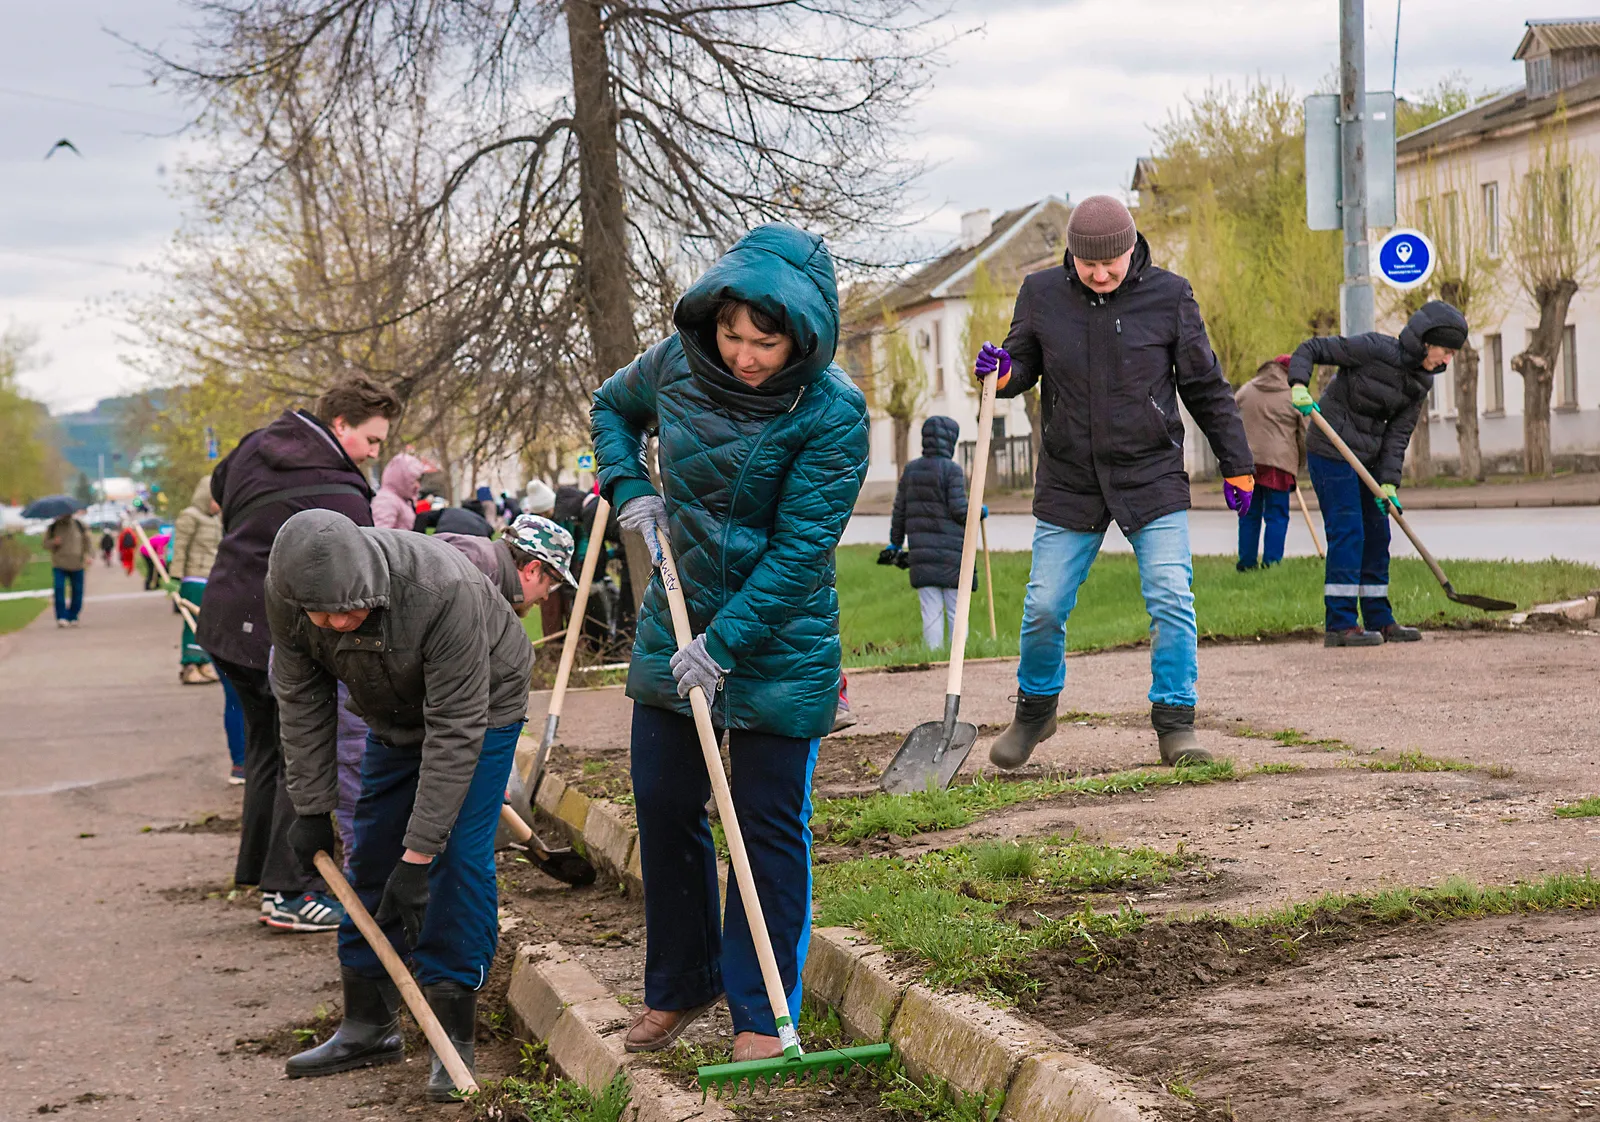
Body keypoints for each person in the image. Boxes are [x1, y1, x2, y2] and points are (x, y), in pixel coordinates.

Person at [591, 223, 869, 1063]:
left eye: (766, 341)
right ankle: (681, 984)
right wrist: (628, 484)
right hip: (672, 625)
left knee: (765, 829)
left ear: (803, 335)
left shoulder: (833, 413)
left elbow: (799, 552)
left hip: (778, 647)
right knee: (666, 806)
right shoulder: (673, 363)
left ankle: (761, 1009)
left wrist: (724, 647)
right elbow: (612, 407)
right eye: (733, 336)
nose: (745, 355)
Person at [975, 195, 1255, 771]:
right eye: (1088, 264)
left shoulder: (1171, 297)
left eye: (1113, 263)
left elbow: (1205, 386)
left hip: (1149, 471)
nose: (1100, 274)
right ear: (1071, 256)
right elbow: (1021, 366)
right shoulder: (1041, 294)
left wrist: (1238, 462)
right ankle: (1035, 711)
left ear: (1134, 249)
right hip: (1070, 476)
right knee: (1044, 607)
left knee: (1171, 597)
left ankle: (1176, 722)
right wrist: (1002, 372)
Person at [268, 510, 535, 1098]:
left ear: (371, 583)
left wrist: (420, 858)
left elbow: (456, 728)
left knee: (456, 859)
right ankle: (368, 1023)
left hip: (481, 706)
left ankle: (452, 1030)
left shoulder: (446, 590)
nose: (338, 623)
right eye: (324, 615)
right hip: (390, 711)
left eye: (350, 609)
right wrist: (311, 808)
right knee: (370, 853)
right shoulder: (289, 596)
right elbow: (301, 698)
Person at [198, 375, 401, 933]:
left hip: (221, 619)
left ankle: (263, 877)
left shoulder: (257, 445)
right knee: (304, 753)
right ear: (341, 426)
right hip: (268, 629)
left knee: (267, 747)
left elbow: (219, 488)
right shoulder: (338, 489)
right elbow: (358, 578)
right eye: (373, 440)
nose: (374, 453)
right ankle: (292, 891)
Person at [1288, 300, 1468, 647]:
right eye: (1446, 351)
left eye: (1452, 354)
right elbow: (1311, 348)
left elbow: (1398, 436)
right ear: (1427, 341)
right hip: (1331, 448)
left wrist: (1389, 482)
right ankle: (1340, 624)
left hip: (1367, 460)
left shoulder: (1421, 381)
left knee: (1377, 534)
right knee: (1349, 532)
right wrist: (1299, 383)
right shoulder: (1373, 349)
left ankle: (1379, 618)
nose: (1448, 360)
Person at [883, 415, 980, 651]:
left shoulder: (911, 470)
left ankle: (933, 658)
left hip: (922, 557)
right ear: (951, 441)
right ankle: (958, 660)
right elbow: (959, 510)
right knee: (957, 610)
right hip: (953, 556)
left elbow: (900, 511)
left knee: (931, 612)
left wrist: (895, 544)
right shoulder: (952, 471)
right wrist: (977, 511)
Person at [1234, 355, 1306, 571]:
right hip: (1279, 465)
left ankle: (1246, 564)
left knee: (1248, 514)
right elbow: (1304, 435)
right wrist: (1298, 465)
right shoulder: (1293, 396)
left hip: (1246, 462)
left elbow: (1229, 419)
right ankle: (1271, 564)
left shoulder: (1246, 390)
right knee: (1276, 515)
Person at [170, 475, 224, 685]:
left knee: (208, 624)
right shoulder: (189, 516)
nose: (217, 505)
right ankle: (190, 663)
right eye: (214, 500)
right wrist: (175, 576)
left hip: (211, 578)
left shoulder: (215, 520)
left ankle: (204, 662)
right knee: (193, 623)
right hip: (193, 578)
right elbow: (180, 548)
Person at [43, 511, 91, 628]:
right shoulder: (53, 527)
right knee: (59, 589)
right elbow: (45, 544)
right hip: (59, 563)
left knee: (77, 590)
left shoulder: (79, 525)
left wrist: (89, 555)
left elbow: (87, 542)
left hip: (77, 563)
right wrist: (54, 542)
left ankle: (73, 615)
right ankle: (62, 616)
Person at [371, 453, 431, 531]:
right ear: (403, 478)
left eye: (419, 480)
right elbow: (380, 535)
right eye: (414, 480)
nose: (417, 485)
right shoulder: (387, 500)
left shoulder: (401, 500)